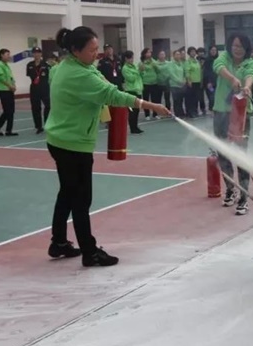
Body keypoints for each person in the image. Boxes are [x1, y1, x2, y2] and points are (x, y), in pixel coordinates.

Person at [45, 26, 170, 266]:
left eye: (97, 49)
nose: (96, 54)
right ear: (75, 50)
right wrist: (152, 106)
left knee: (67, 194)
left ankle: (58, 242)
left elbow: (98, 79)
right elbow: (113, 95)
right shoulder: (79, 74)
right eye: (91, 50)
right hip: (73, 145)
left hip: (60, 140)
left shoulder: (68, 66)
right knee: (81, 199)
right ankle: (89, 252)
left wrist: (99, 75)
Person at [212, 33, 253, 216]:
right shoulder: (224, 57)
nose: (237, 49)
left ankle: (244, 197)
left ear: (247, 48)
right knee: (223, 153)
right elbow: (218, 66)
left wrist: (247, 86)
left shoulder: (251, 62)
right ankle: (230, 189)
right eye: (234, 45)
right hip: (221, 112)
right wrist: (231, 79)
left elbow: (252, 75)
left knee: (241, 155)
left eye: (240, 46)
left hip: (240, 114)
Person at [0, 48, 18, 136]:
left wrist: (13, 85)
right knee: (7, 110)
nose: (8, 56)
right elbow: (1, 78)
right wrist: (10, 86)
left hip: (9, 90)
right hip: (3, 90)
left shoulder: (6, 65)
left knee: (11, 110)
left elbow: (11, 77)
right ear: (1, 55)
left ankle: (8, 130)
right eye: (7, 55)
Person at [26, 47, 50, 133]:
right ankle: (38, 126)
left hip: (45, 88)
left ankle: (47, 123)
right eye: (35, 53)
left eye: (38, 53)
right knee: (35, 107)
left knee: (48, 106)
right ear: (33, 54)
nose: (36, 54)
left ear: (41, 54)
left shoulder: (46, 64)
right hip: (34, 88)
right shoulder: (29, 65)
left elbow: (50, 75)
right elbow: (30, 75)